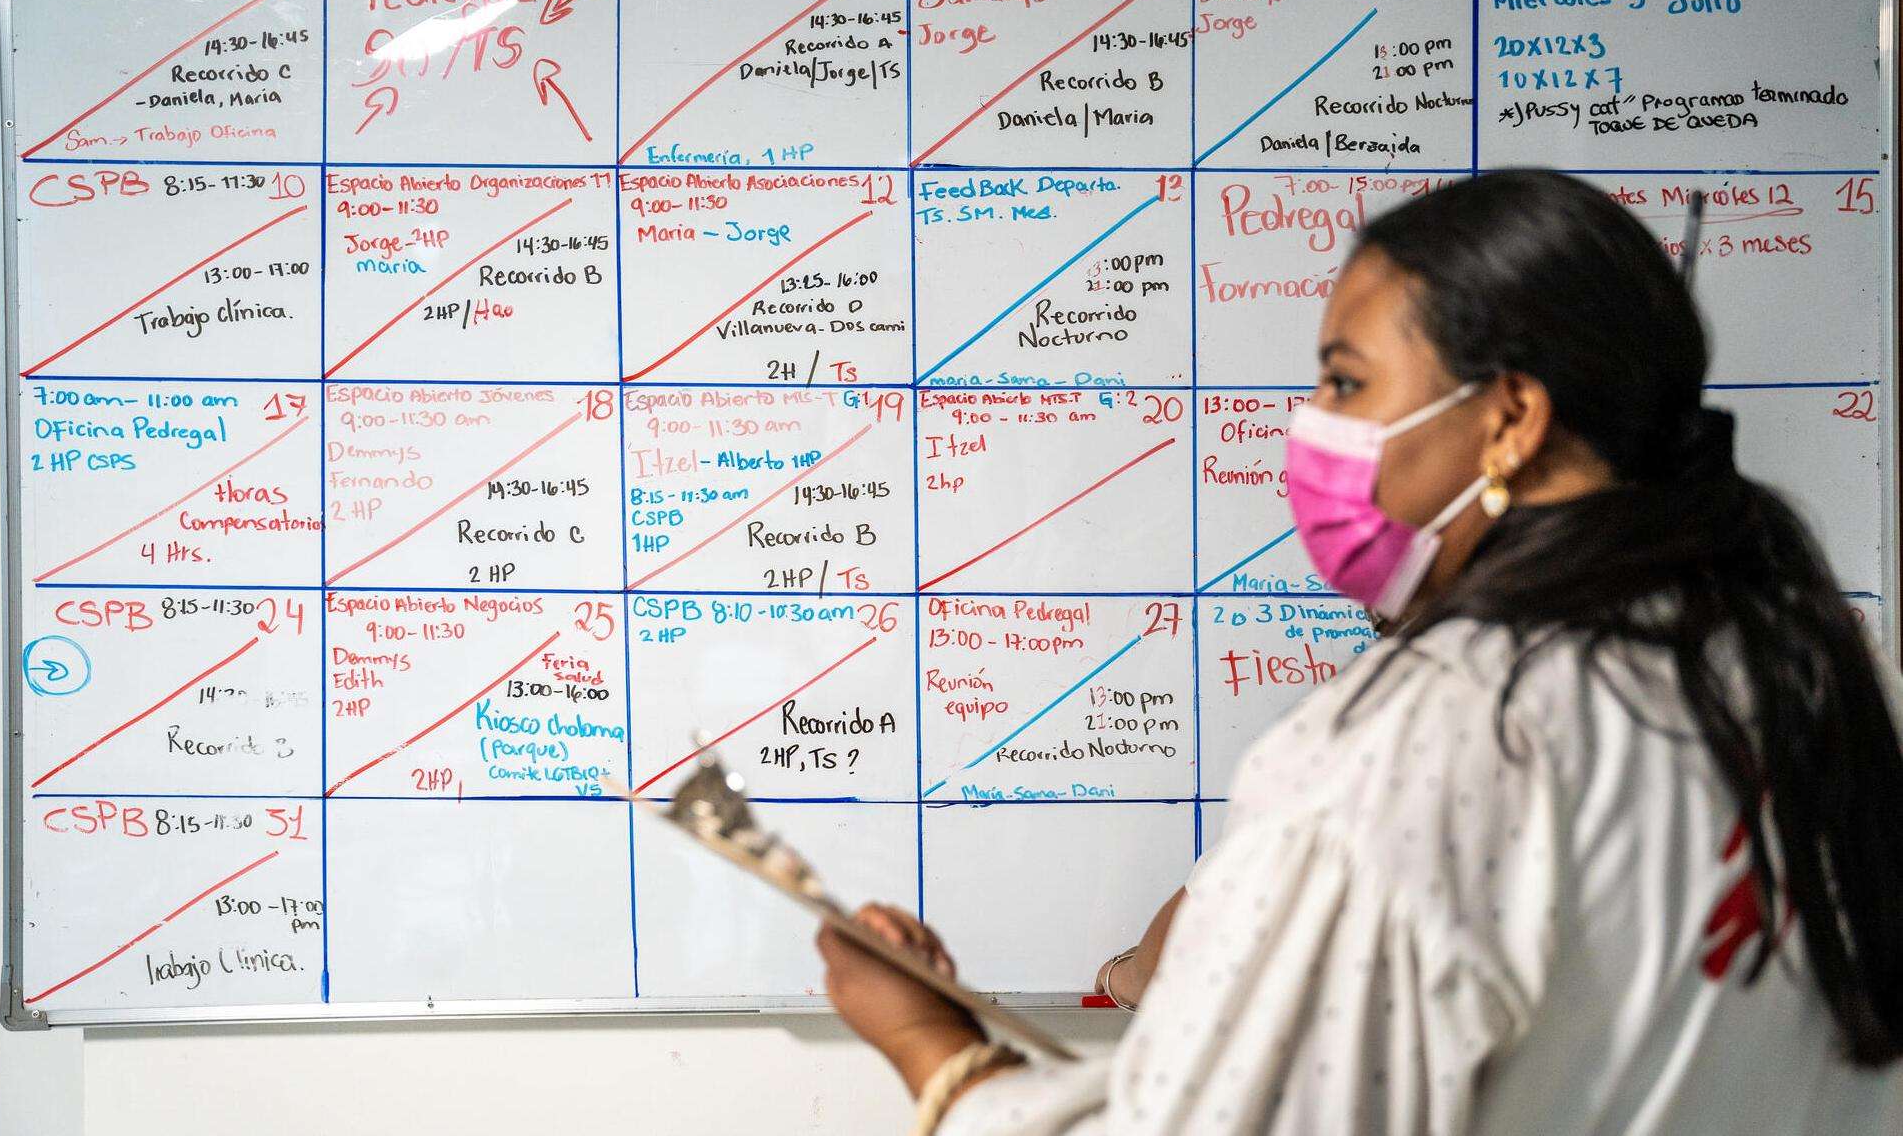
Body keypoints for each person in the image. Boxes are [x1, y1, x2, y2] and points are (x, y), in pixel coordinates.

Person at [814, 170, 1903, 1134]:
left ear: (1509, 415)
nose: (1312, 427)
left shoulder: (1430, 730)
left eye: (1345, 382)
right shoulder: (1798, 665)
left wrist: (937, 1051)